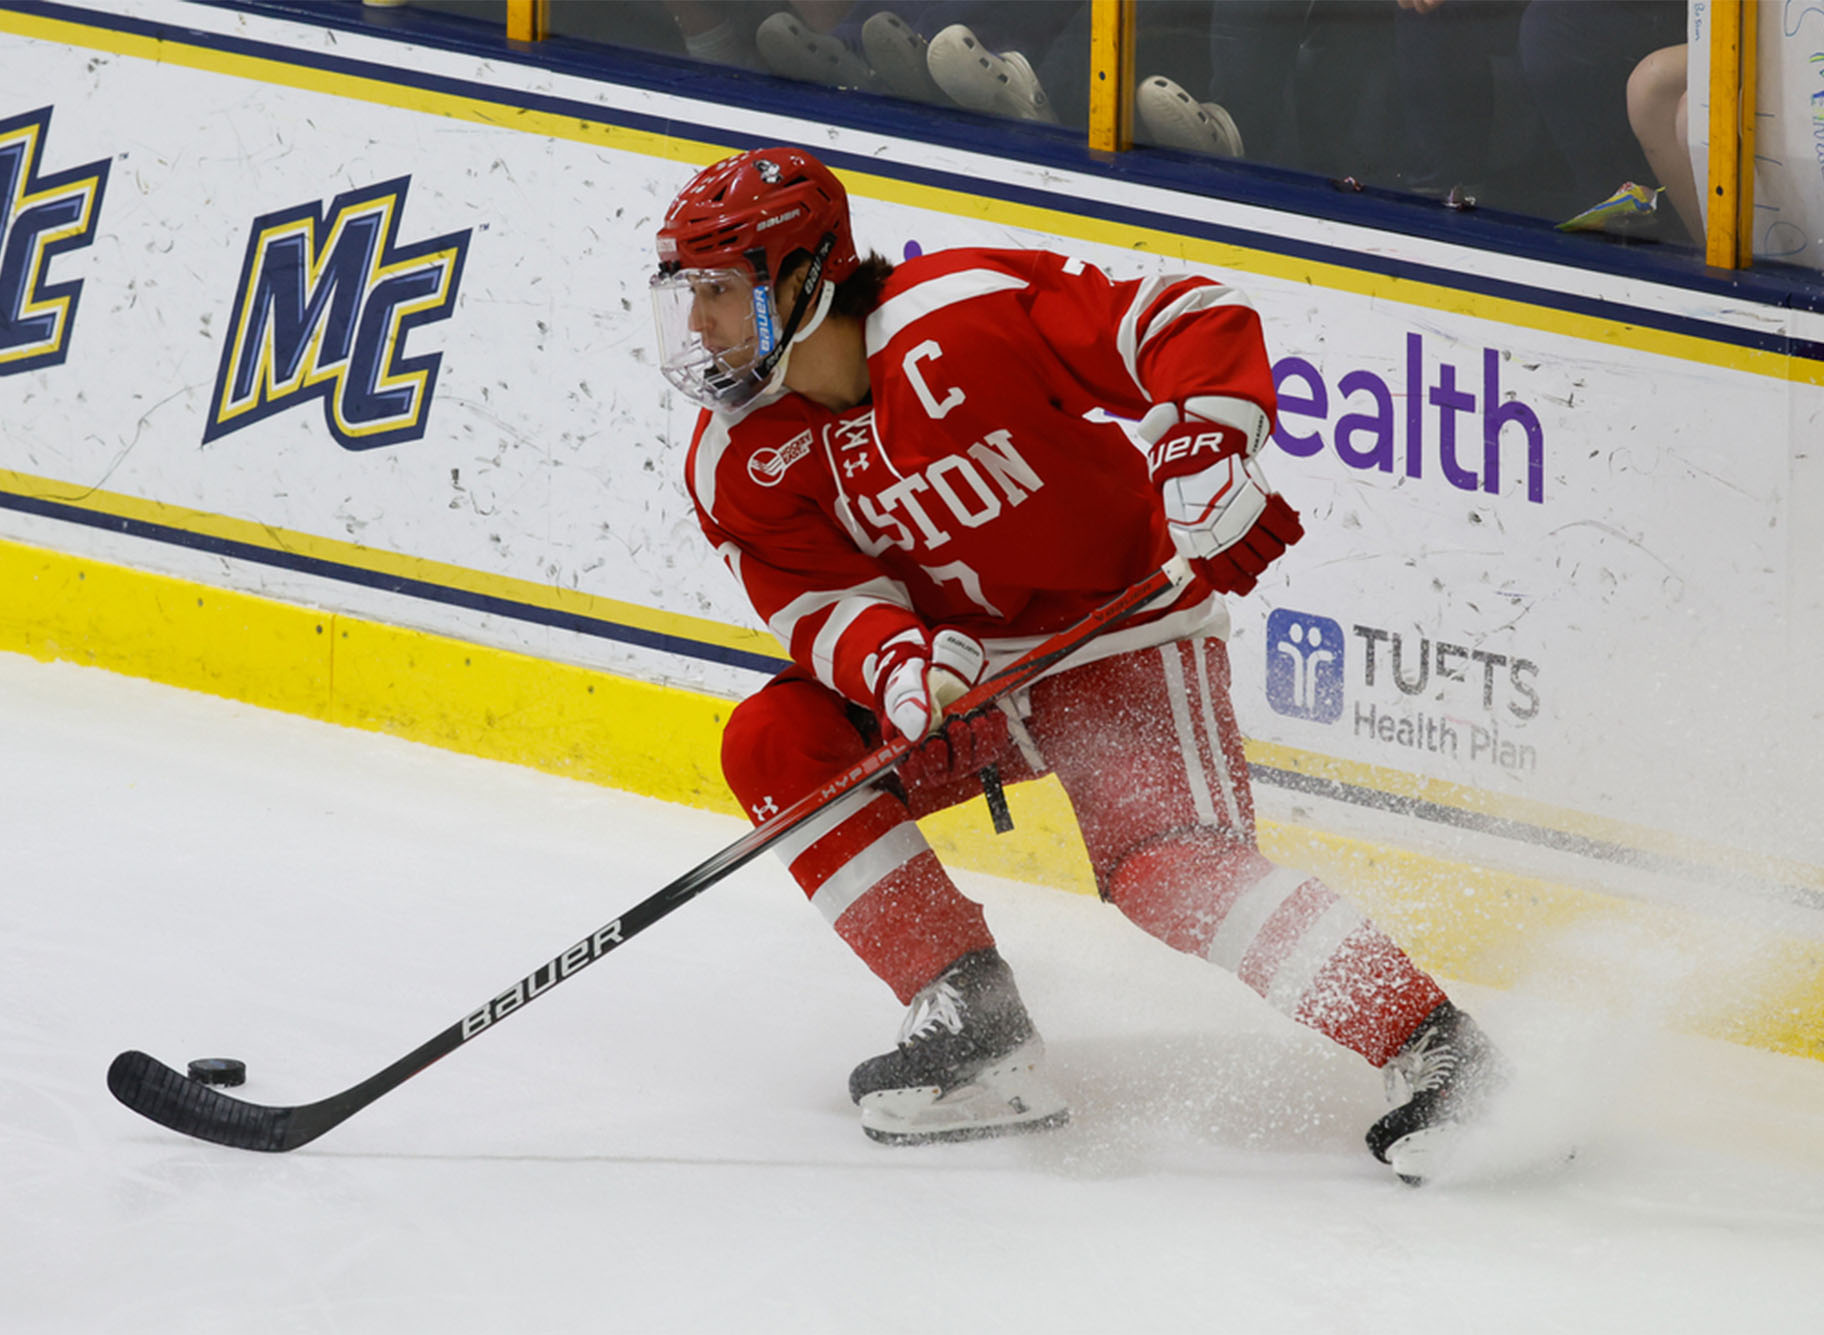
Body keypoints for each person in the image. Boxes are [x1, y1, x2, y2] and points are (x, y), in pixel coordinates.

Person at [644, 145, 1505, 1180]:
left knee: (1166, 870)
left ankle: (1434, 1046)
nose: (699, 327)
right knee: (779, 740)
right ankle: (974, 1023)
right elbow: (818, 599)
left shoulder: (958, 315)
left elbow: (1178, 315)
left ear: (801, 277)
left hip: (1118, 637)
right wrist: (899, 668)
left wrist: (1203, 443)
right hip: (968, 685)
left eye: (721, 293)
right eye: (688, 296)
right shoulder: (736, 455)